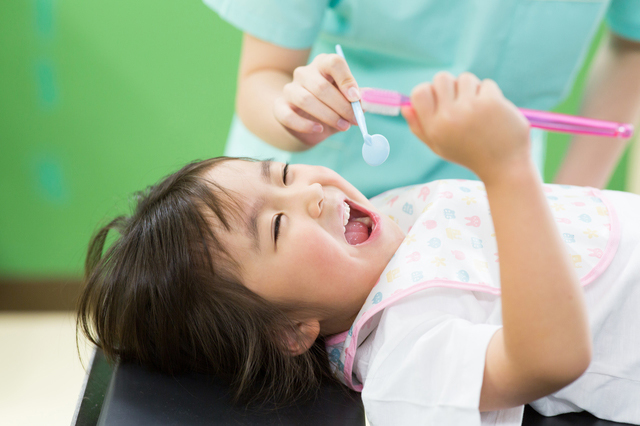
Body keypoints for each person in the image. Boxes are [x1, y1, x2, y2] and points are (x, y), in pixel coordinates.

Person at [77, 74, 640, 425]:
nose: (314, 195)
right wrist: (507, 168)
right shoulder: (405, 355)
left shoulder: (387, 232)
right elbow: (551, 359)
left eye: (287, 173)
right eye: (276, 225)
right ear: (291, 330)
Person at [204, 0, 640, 197]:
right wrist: (296, 114)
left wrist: (569, 207)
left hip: (492, 200)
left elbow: (632, 43)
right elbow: (263, 76)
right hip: (328, 180)